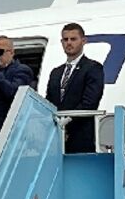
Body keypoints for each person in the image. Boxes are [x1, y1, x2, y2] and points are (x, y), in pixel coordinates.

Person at [45, 23, 105, 153]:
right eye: (65, 39)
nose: (69, 43)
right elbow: (49, 102)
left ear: (83, 41)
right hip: (56, 139)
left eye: (73, 39)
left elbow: (90, 102)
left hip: (81, 137)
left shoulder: (93, 68)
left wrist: (67, 121)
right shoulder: (56, 72)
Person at [0, 35, 35, 128]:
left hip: (10, 125)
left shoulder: (22, 70)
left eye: (0, 52)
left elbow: (13, 92)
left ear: (12, 52)